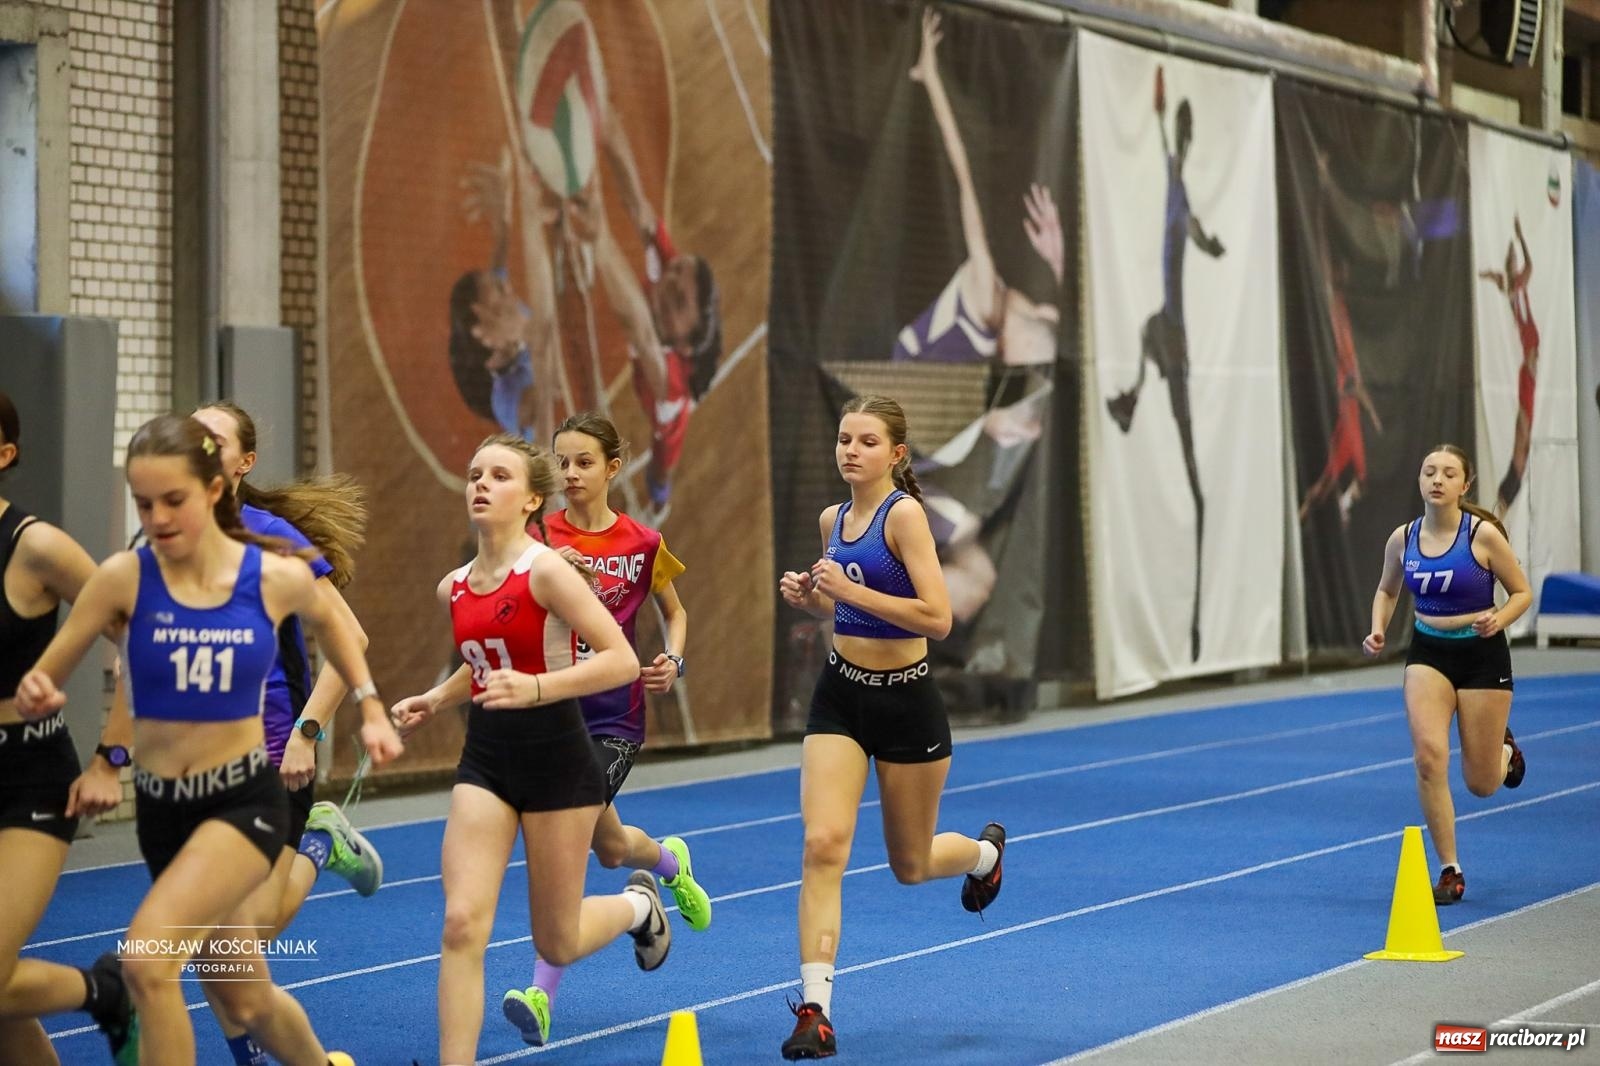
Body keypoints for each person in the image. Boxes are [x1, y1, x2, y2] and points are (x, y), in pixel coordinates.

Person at [14, 413, 403, 1066]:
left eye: (173, 501)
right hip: (165, 812)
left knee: (147, 960)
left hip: (241, 797)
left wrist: (366, 708)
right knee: (244, 994)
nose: (158, 517)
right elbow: (73, 666)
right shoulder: (126, 575)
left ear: (217, 487)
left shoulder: (272, 568)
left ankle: (312, 843)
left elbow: (342, 634)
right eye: (144, 503)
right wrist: (80, 730)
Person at [389, 432, 670, 1066]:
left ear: (530, 500)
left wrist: (538, 686)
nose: (480, 485)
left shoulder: (546, 570)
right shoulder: (453, 587)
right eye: (473, 474)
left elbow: (620, 660)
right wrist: (435, 699)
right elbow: (485, 662)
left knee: (558, 939)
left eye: (499, 476)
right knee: (461, 924)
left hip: (557, 759)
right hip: (487, 759)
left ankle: (636, 905)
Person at [776, 395, 1006, 1060]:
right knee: (823, 845)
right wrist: (814, 597)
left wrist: (847, 593)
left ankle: (985, 856)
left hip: (907, 701)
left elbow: (937, 617)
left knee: (911, 863)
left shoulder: (905, 518)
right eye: (844, 438)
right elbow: (840, 605)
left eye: (867, 441)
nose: (851, 450)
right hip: (841, 697)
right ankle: (814, 1011)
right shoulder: (833, 518)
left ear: (896, 454)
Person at [497, 412, 709, 1047]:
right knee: (611, 849)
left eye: (583, 462)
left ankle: (540, 992)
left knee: (565, 839)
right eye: (561, 462)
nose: (570, 474)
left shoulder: (643, 543)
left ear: (612, 468)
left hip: (614, 721)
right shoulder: (536, 534)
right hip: (552, 717)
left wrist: (674, 658)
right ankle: (668, 862)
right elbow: (503, 603)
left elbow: (677, 614)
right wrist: (541, 571)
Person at [190, 401, 385, 1066]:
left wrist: (307, 733)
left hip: (273, 756)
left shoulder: (270, 537)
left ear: (243, 463)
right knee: (214, 949)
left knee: (239, 940)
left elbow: (348, 640)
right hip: (198, 766)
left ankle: (317, 844)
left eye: (213, 439)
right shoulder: (167, 538)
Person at [483, 0, 723, 515]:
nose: (669, 281)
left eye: (678, 298)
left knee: (660, 469)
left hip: (665, 421)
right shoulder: (671, 274)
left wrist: (598, 239)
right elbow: (632, 187)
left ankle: (658, 489)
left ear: (681, 337)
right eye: (676, 273)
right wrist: (598, 121)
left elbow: (637, 326)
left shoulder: (669, 387)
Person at [0, 390, 137, 1065]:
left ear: (4, 455)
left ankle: (103, 989)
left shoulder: (36, 548)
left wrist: (113, 755)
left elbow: (142, 637)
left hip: (27, 777)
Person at [1362, 443, 1531, 905]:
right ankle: (1450, 869)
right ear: (1420, 481)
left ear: (1464, 485)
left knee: (1481, 784)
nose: (1437, 479)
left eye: (1448, 473)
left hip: (1481, 654)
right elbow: (1386, 589)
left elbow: (1521, 592)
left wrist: (1499, 618)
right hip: (1428, 652)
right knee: (1429, 757)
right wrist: (1378, 629)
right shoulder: (1404, 538)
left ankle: (1503, 750)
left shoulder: (1483, 537)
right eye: (1429, 471)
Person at [1104, 64, 1227, 663]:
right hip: (1165, 330)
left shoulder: (1182, 195)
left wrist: (1210, 244)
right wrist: (1159, 115)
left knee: (1194, 474)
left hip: (1168, 333)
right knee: (1146, 323)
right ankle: (1129, 395)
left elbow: (1200, 232)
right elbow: (1167, 159)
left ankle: (1130, 396)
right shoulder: (1177, 182)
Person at [896, 8, 1061, 369]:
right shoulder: (1037, 316)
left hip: (907, 361)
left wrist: (933, 79)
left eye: (1005, 350)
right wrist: (1057, 258)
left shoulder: (989, 299)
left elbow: (963, 177)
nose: (1004, 347)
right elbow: (1069, 321)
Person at [1477, 217, 1539, 518]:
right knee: (1523, 440)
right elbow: (1516, 271)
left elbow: (1529, 265)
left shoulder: (1517, 284)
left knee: (1524, 444)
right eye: (1511, 260)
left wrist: (1522, 236)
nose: (1516, 265)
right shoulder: (1513, 285)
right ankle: (1501, 504)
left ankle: (1501, 503)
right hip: (1528, 357)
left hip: (1530, 355)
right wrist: (1490, 274)